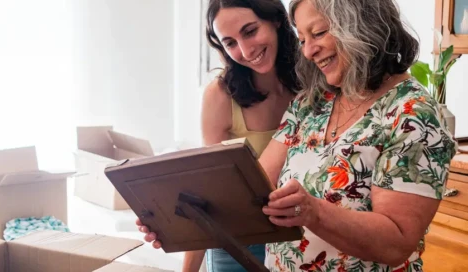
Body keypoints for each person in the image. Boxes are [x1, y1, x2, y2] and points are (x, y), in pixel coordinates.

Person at [136, 0, 459, 271]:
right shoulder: (312, 103)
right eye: (303, 39)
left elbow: (396, 242)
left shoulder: (415, 114)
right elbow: (249, 188)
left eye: (318, 33)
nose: (307, 52)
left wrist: (314, 212)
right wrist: (175, 220)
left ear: (362, 25)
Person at [147, 0, 301, 271]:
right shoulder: (220, 96)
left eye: (250, 31)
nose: (245, 50)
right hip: (236, 242)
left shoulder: (312, 83)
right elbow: (209, 194)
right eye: (230, 43)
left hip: (302, 239)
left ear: (276, 20)